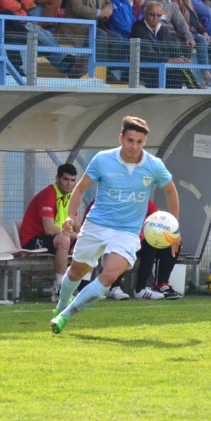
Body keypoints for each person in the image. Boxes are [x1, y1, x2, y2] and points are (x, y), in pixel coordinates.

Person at [49, 116, 180, 334]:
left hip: (127, 232)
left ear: (145, 142)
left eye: (140, 142)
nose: (134, 146)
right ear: (121, 138)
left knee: (109, 275)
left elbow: (171, 191)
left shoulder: (154, 165)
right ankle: (62, 304)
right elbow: (80, 189)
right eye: (130, 140)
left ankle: (65, 315)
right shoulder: (102, 159)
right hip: (96, 225)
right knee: (76, 273)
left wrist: (174, 228)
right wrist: (70, 216)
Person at [19, 164, 80, 300]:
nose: (69, 184)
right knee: (64, 239)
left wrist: (84, 237)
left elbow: (78, 226)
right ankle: (59, 289)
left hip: (54, 239)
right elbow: (49, 229)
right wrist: (76, 236)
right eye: (66, 179)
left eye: (72, 180)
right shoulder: (49, 195)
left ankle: (84, 288)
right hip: (32, 240)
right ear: (57, 179)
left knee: (88, 242)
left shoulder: (70, 197)